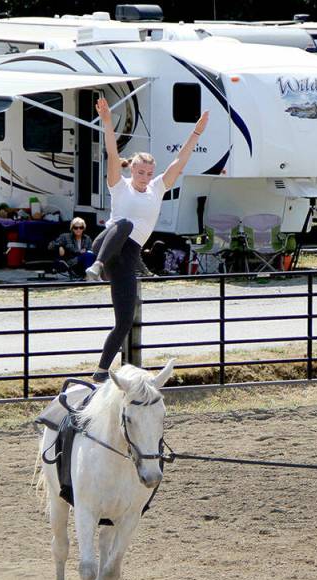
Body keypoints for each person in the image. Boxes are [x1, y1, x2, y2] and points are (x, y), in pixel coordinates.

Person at [85, 96, 208, 382]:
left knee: (125, 321)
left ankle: (101, 371)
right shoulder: (119, 185)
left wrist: (197, 132)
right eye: (140, 172)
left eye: (148, 173)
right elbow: (112, 154)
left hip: (127, 256)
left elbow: (181, 160)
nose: (144, 177)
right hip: (107, 244)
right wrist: (106, 121)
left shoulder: (157, 187)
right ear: (132, 170)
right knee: (125, 223)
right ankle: (96, 266)